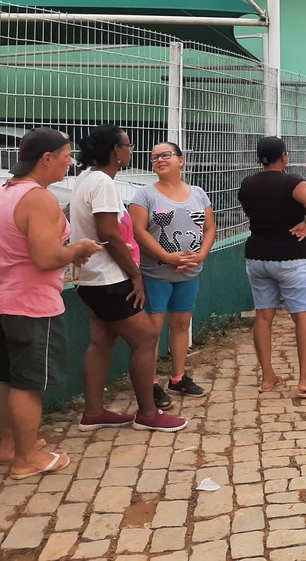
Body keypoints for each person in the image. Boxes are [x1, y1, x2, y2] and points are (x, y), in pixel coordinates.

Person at [0, 129, 101, 479]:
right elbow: (45, 257)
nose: (70, 162)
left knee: (9, 379)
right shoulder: (38, 198)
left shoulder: (6, 192)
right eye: (66, 155)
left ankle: (9, 445)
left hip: (6, 300)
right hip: (31, 304)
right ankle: (26, 460)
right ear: (46, 159)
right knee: (28, 383)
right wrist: (78, 249)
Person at [70, 124, 187, 432]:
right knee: (146, 337)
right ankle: (148, 412)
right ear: (115, 151)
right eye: (128, 145)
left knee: (102, 340)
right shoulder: (103, 184)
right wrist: (135, 275)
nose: (131, 151)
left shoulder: (85, 178)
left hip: (90, 278)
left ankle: (94, 412)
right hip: (109, 279)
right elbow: (108, 234)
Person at [238, 137, 306, 397]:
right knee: (302, 316)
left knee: (263, 316)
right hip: (290, 256)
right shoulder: (292, 182)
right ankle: (305, 379)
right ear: (284, 157)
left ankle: (267, 376)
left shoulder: (248, 184)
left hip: (257, 256)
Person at [130, 142, 215, 403]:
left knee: (181, 324)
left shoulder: (198, 193)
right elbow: (138, 231)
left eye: (166, 155)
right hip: (156, 274)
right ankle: (151, 383)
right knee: (153, 328)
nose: (159, 160)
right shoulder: (144, 195)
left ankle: (178, 378)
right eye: (154, 157)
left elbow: (209, 228)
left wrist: (201, 255)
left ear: (181, 160)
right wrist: (166, 257)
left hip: (189, 273)